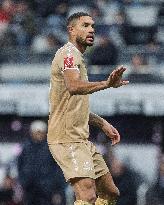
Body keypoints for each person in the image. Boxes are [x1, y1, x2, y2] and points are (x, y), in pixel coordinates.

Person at [48, 12, 129, 205]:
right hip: (66, 139)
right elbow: (74, 86)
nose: (91, 29)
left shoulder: (77, 58)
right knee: (87, 196)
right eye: (85, 25)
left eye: (92, 26)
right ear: (71, 30)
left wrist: (101, 123)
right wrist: (107, 84)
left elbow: (74, 104)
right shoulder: (68, 55)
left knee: (110, 193)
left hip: (81, 140)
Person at [18, 120, 66, 205]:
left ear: (45, 133)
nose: (38, 135)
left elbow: (59, 170)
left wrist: (58, 191)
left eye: (40, 132)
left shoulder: (52, 148)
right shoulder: (26, 148)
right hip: (30, 189)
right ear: (31, 133)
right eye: (36, 132)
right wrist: (23, 182)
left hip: (48, 190)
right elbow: (20, 166)